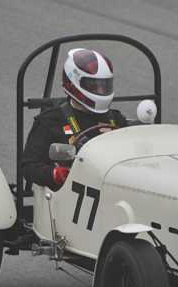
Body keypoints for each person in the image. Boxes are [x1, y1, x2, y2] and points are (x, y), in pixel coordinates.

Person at [22, 48, 127, 190]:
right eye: (94, 86)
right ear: (73, 83)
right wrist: (54, 174)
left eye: (104, 86)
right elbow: (28, 166)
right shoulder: (51, 121)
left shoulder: (116, 119)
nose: (101, 91)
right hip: (66, 197)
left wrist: (116, 140)